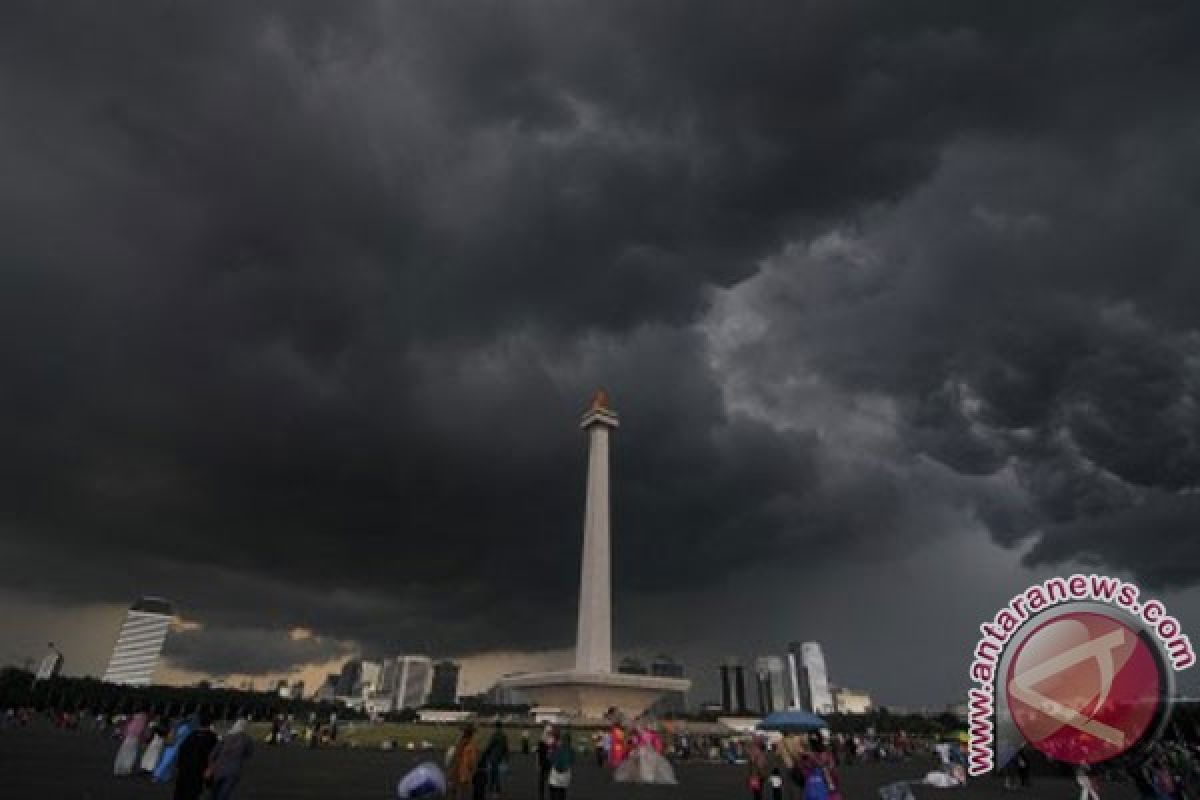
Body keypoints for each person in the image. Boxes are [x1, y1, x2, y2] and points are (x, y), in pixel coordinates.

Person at [173, 712, 218, 800]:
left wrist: (179, 765)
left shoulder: (192, 734)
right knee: (192, 792)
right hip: (198, 769)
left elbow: (182, 749)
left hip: (185, 767)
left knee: (180, 791)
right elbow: (213, 755)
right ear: (211, 723)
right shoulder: (212, 737)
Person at [209, 718, 254, 800]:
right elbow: (249, 754)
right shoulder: (247, 739)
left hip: (219, 768)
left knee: (214, 793)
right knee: (224, 794)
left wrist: (211, 766)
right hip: (234, 769)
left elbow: (213, 753)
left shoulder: (225, 737)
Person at [154, 715, 196, 783]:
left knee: (166, 761)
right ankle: (162, 776)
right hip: (177, 746)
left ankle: (159, 776)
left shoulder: (179, 727)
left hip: (173, 745)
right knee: (169, 762)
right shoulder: (187, 729)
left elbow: (174, 736)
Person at [448, 725, 480, 800]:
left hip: (457, 769)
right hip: (464, 771)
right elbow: (472, 761)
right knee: (464, 791)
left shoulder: (459, 743)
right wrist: (473, 770)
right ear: (471, 735)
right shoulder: (471, 746)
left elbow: (454, 757)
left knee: (457, 790)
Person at [113, 711, 149, 776]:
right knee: (131, 754)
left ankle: (118, 769)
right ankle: (125, 770)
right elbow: (142, 730)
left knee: (123, 752)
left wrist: (123, 734)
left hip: (128, 737)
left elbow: (127, 726)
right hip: (135, 738)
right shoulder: (144, 718)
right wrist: (143, 739)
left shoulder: (134, 717)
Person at [480, 721, 510, 799]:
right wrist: (506, 756)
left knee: (494, 772)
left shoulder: (495, 734)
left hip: (494, 756)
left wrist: (485, 754)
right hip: (500, 756)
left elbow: (490, 745)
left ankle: (495, 787)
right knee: (495, 771)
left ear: (496, 726)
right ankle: (492, 786)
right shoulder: (504, 735)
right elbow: (506, 747)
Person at [547, 732, 574, 800]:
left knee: (553, 790)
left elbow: (550, 759)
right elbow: (571, 761)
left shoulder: (556, 748)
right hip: (565, 773)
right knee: (562, 792)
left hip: (556, 773)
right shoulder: (571, 750)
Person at [535, 725, 556, 800]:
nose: (549, 733)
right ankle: (546, 795)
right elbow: (538, 753)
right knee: (547, 781)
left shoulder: (543, 740)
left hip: (546, 763)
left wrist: (537, 763)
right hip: (546, 763)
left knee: (544, 781)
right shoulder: (550, 740)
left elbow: (538, 753)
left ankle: (543, 796)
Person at [747, 735, 769, 800]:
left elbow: (752, 761)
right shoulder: (761, 751)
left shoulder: (755, 750)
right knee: (759, 790)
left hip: (756, 773)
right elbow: (763, 763)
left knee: (757, 791)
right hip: (760, 773)